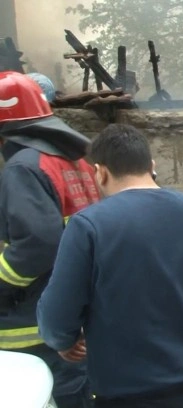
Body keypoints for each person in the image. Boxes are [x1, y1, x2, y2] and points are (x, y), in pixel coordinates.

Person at [37, 124, 183, 408]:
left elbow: (57, 318)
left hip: (135, 390)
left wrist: (64, 340)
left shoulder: (89, 226)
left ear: (100, 172)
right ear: (151, 166)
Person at [0, 71, 97, 407]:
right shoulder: (74, 163)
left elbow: (39, 243)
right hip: (72, 322)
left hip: (32, 329)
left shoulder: (23, 168)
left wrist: (1, 280)